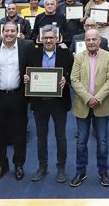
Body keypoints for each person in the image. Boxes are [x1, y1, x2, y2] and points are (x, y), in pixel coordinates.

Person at [23, 25, 73, 183]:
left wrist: (67, 79)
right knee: (41, 137)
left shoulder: (66, 54)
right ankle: (42, 167)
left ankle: (61, 168)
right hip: (39, 103)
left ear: (57, 38)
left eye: (51, 37)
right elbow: (27, 72)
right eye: (46, 38)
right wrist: (26, 79)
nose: (49, 40)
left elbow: (73, 75)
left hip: (59, 102)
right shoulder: (33, 52)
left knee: (60, 136)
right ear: (41, 39)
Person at [0, 21, 34, 181]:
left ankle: (19, 164)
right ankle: (1, 165)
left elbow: (32, 67)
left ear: (17, 32)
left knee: (19, 132)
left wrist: (30, 77)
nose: (9, 34)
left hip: (18, 96)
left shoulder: (26, 46)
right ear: (2, 32)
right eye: (7, 31)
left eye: (13, 31)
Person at [70, 28, 109, 188]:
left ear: (99, 41)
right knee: (81, 142)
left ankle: (103, 171)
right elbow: (74, 79)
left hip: (101, 104)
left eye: (94, 39)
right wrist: (88, 98)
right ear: (85, 41)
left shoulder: (108, 56)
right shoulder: (78, 57)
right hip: (82, 104)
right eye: (88, 39)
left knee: (102, 142)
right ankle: (80, 171)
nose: (91, 42)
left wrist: (97, 98)